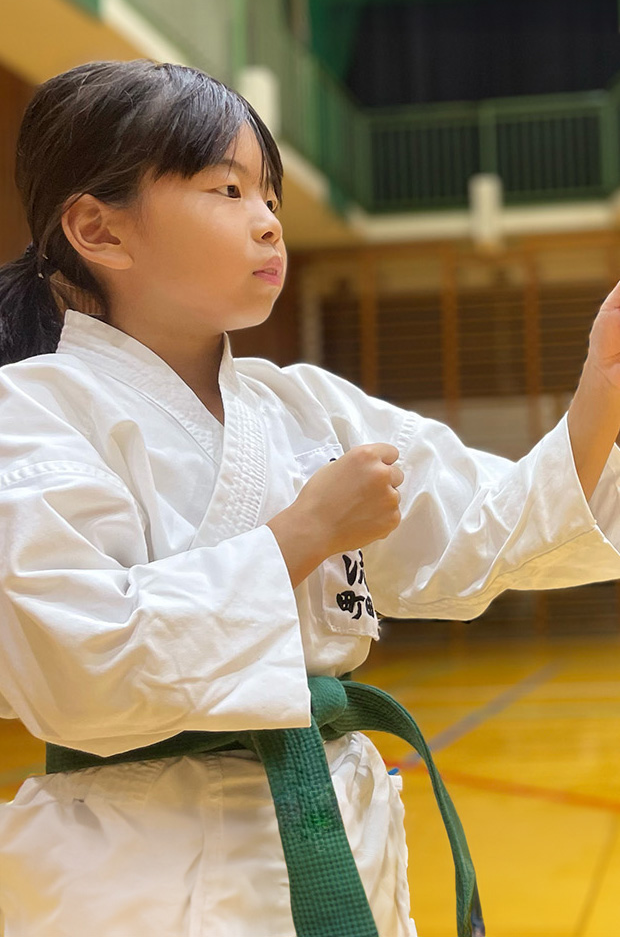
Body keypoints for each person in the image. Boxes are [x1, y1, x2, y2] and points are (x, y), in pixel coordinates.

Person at [0, 59, 620, 937]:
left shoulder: (307, 410)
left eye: (271, 197)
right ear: (99, 229)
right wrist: (302, 534)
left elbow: (485, 525)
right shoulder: (31, 415)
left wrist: (600, 391)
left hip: (337, 829)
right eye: (228, 190)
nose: (267, 223)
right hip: (137, 872)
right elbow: (79, 661)